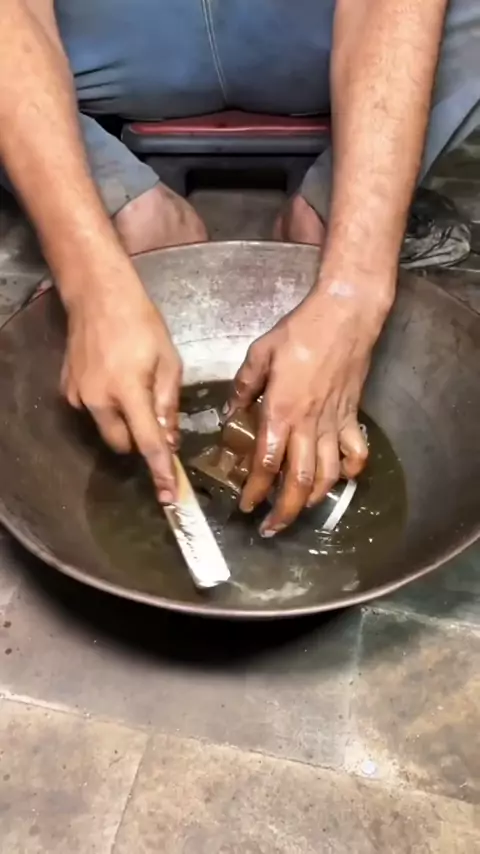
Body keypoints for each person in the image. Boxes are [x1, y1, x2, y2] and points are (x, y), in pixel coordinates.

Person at [0, 1, 478, 537]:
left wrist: (352, 291)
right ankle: (130, 211)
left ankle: (322, 220)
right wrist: (89, 277)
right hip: (114, 41)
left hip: (302, 38)